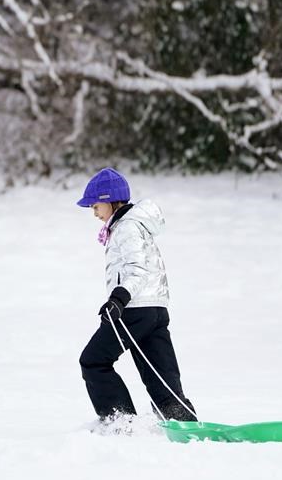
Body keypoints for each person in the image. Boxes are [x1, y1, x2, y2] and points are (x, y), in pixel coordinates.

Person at [76, 167, 197, 425]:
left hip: (133, 308)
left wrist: (118, 299)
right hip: (154, 309)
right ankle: (181, 422)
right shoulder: (134, 225)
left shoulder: (126, 227)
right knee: (160, 375)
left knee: (93, 360)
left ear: (110, 200)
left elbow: (136, 268)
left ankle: (120, 422)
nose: (94, 212)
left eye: (95, 205)